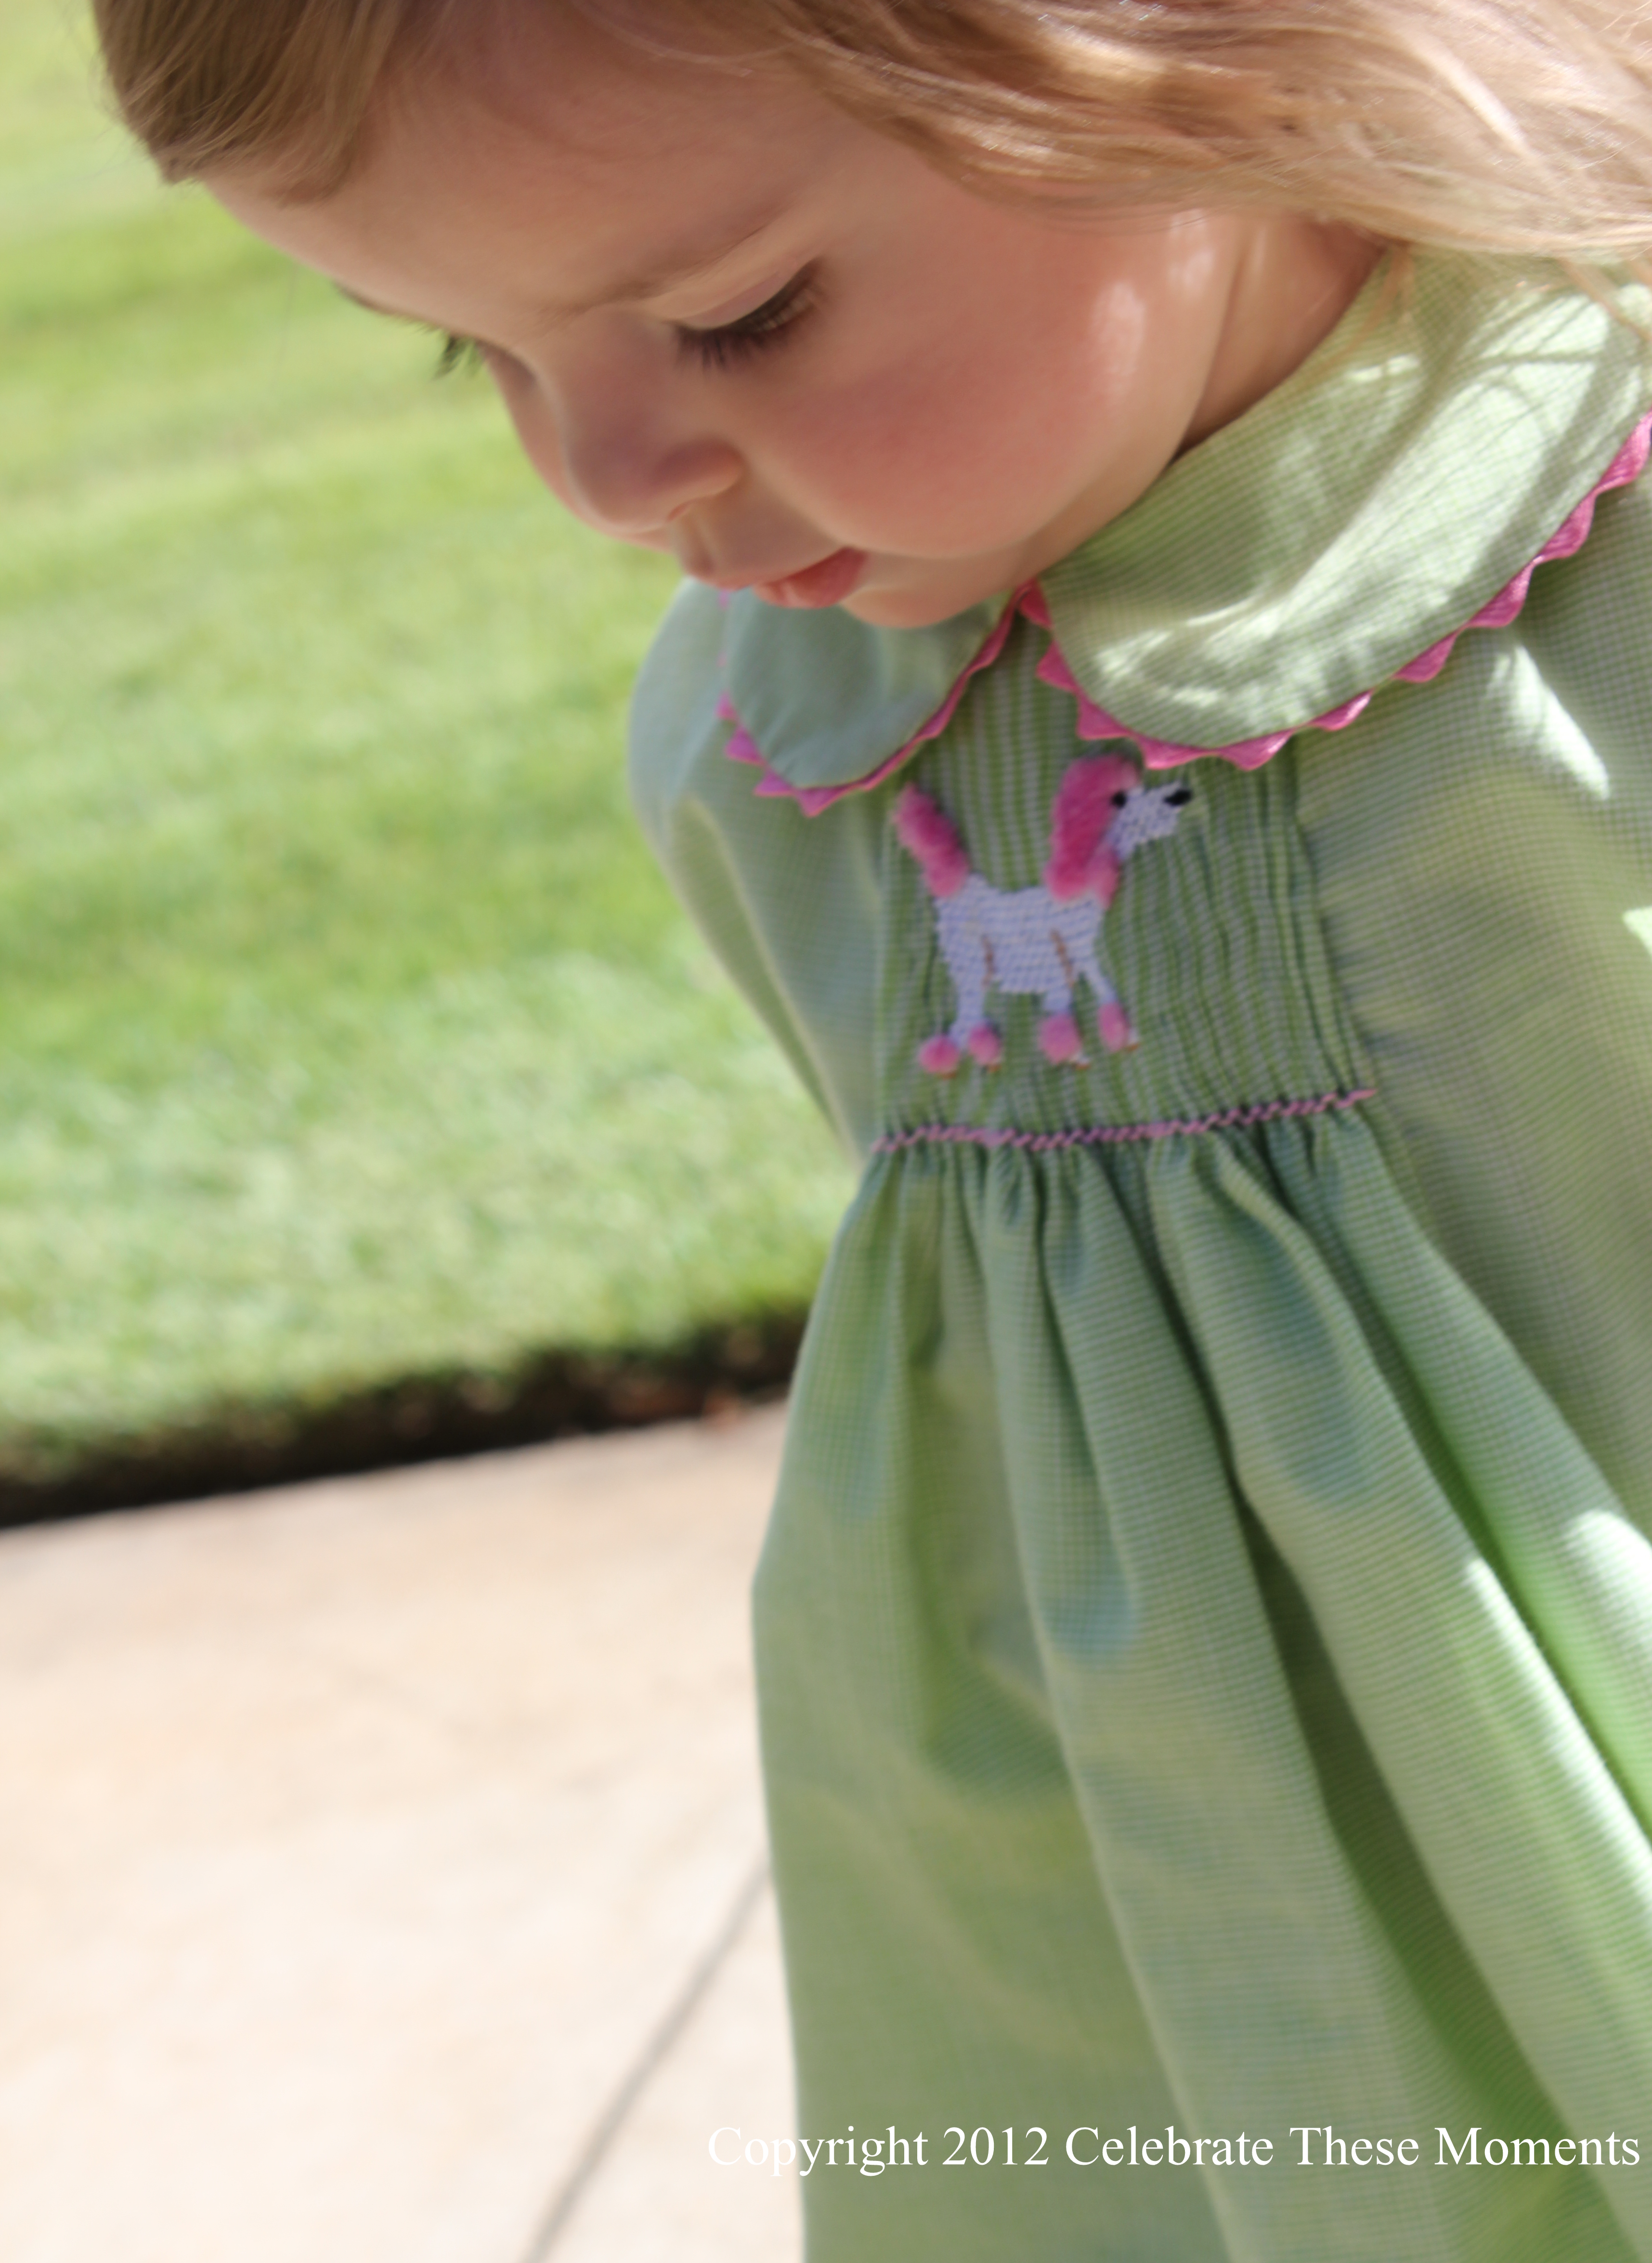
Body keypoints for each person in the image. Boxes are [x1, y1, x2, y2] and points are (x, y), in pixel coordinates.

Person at [93, 2, 1652, 2255]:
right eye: (467, 349)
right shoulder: (770, 758)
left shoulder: (1599, 573)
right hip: (1125, 1947)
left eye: (741, 315)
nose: (603, 476)